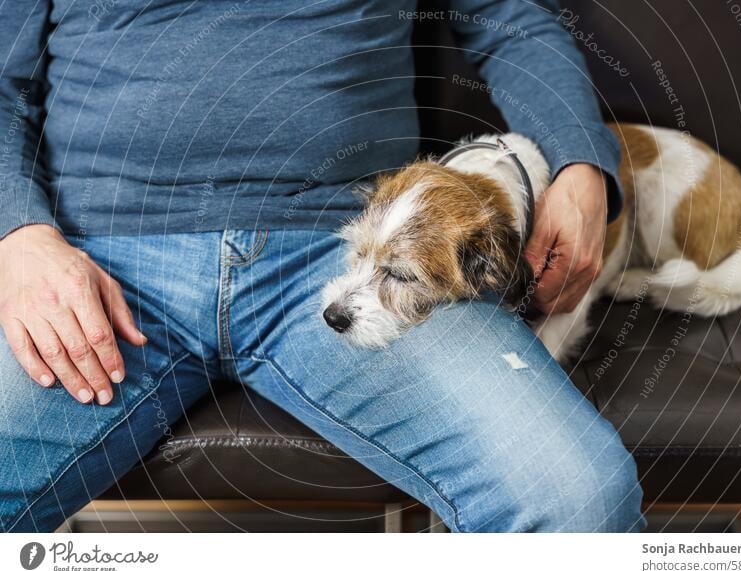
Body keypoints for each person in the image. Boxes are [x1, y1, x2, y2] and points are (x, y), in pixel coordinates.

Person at [0, 1, 643, 532]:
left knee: (577, 501)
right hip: (94, 256)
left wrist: (581, 163)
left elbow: (513, 18)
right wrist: (17, 235)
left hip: (351, 241)